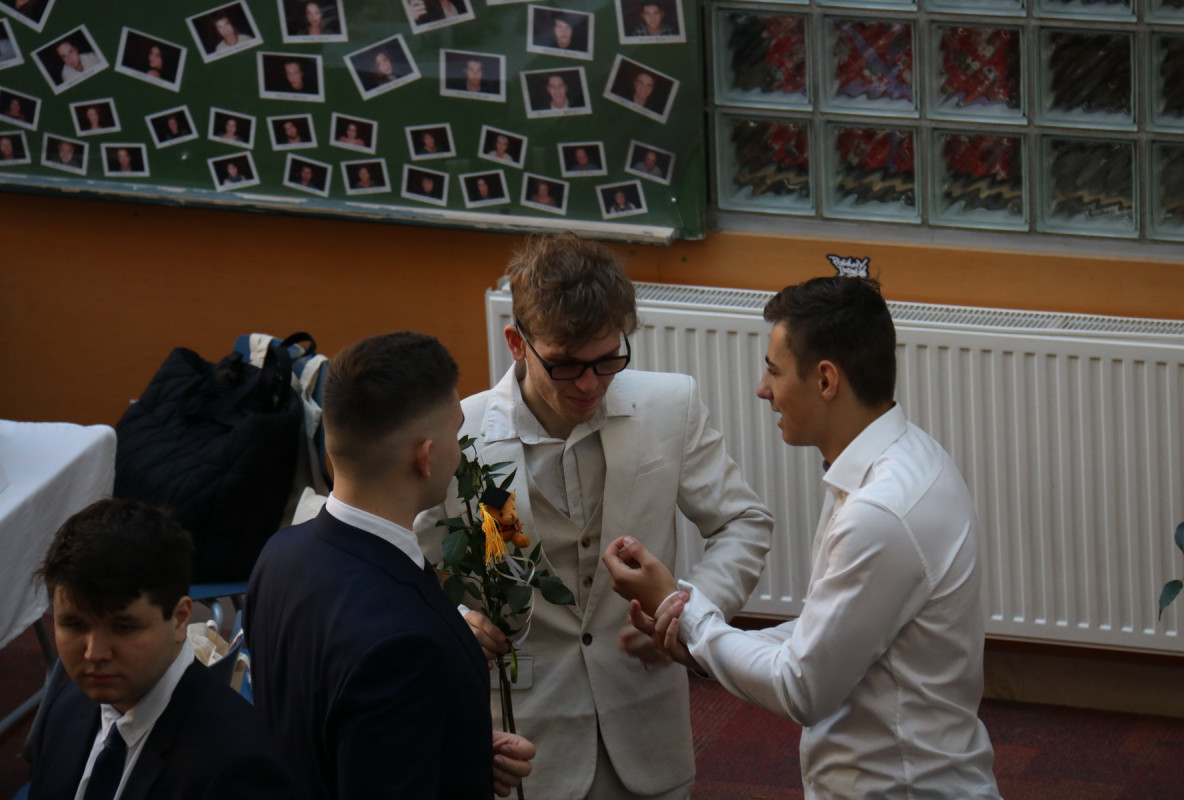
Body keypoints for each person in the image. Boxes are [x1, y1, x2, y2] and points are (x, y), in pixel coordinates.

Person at [604, 276, 1003, 799]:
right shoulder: (911, 458)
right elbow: (826, 634)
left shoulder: (878, 513)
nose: (762, 389)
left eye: (774, 370)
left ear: (826, 380)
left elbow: (802, 687)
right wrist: (694, 635)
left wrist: (684, 611)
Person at [413, 233, 773, 800]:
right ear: (517, 343)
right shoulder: (461, 434)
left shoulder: (670, 406)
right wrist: (455, 621)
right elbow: (407, 565)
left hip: (647, 723)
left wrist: (686, 614)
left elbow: (743, 522)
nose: (589, 384)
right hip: (524, 738)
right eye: (565, 365)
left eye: (607, 361)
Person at [246, 331, 536, 799]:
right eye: (456, 432)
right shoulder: (406, 643)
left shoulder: (279, 555)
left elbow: (321, 729)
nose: (461, 448)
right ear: (425, 457)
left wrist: (459, 750)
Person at [27, 497, 300, 800]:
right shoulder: (67, 707)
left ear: (180, 618)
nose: (95, 653)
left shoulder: (239, 768)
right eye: (74, 625)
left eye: (124, 627)